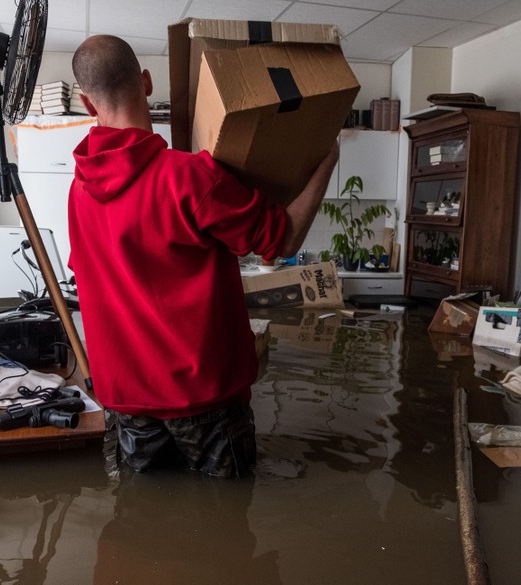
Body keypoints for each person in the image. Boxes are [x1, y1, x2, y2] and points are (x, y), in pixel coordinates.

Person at [68, 35, 338, 478]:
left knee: (139, 529)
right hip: (205, 400)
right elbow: (282, 241)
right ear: (147, 82)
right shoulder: (191, 178)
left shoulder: (78, 193)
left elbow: (91, 278)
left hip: (127, 401)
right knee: (227, 530)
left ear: (85, 103)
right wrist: (325, 162)